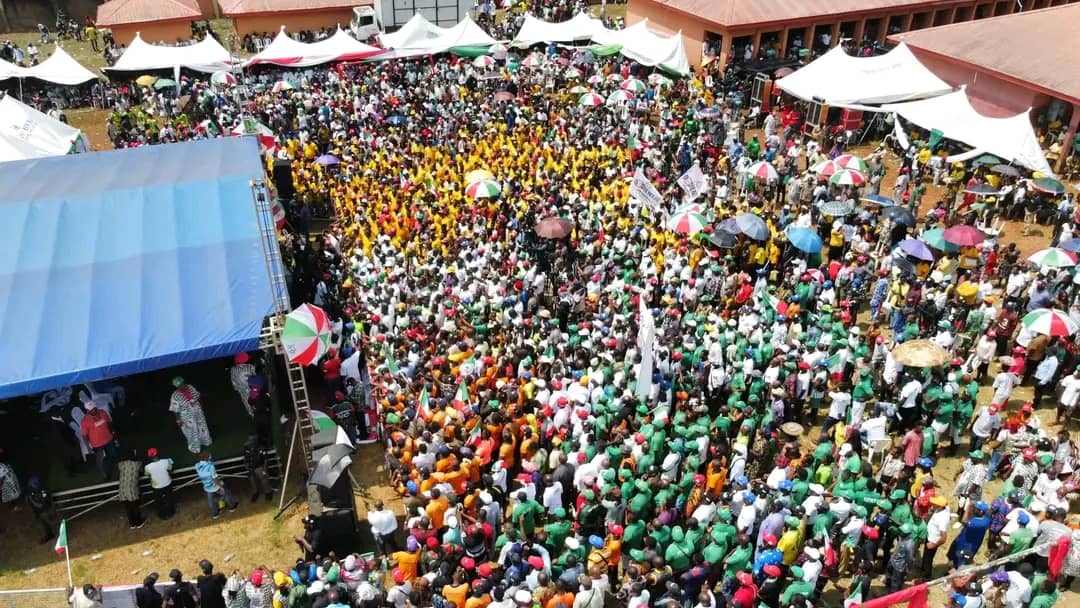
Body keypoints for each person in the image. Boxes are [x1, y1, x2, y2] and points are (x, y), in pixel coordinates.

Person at [170, 377, 213, 454]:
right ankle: (195, 448)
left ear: (184, 382)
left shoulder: (190, 387)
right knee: (192, 431)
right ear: (176, 387)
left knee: (202, 426)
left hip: (197, 411)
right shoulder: (175, 395)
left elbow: (198, 396)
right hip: (187, 416)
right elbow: (175, 409)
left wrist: (200, 405)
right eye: (179, 385)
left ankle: (205, 441)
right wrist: (178, 420)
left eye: (182, 384)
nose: (182, 386)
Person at [79, 400, 116, 481]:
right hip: (97, 444)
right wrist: (88, 447)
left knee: (112, 455)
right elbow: (84, 436)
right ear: (87, 410)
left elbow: (109, 422)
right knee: (100, 460)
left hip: (108, 439)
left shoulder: (102, 412)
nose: (94, 410)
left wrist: (113, 432)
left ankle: (109, 466)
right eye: (91, 409)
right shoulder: (85, 421)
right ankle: (104, 476)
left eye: (94, 408)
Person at [195, 451, 238, 519]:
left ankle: (215, 514)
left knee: (210, 500)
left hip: (206, 486)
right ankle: (232, 507)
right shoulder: (210, 466)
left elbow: (206, 463)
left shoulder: (197, 465)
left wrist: (208, 459)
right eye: (207, 454)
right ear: (206, 457)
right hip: (215, 485)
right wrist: (220, 487)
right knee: (226, 493)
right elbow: (215, 479)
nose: (209, 454)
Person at [116, 450, 145, 529]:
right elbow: (141, 470)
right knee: (135, 507)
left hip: (122, 490)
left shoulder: (121, 464)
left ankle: (132, 524)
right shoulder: (137, 464)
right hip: (132, 489)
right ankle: (139, 523)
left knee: (128, 508)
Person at [144, 448, 175, 520]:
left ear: (149, 457)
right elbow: (170, 469)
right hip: (167, 483)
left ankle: (162, 515)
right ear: (157, 454)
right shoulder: (166, 461)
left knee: (159, 501)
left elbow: (147, 475)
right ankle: (171, 513)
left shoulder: (147, 467)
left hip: (156, 487)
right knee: (169, 498)